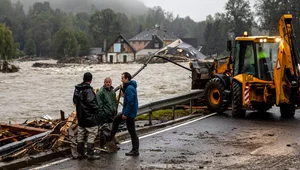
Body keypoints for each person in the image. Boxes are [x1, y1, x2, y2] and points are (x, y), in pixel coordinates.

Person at [110, 72, 139, 156]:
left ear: (127, 79)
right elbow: (127, 95)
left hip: (129, 113)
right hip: (130, 112)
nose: (121, 79)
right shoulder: (130, 87)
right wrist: (122, 89)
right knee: (131, 130)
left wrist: (125, 113)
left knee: (131, 131)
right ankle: (135, 149)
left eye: (122, 78)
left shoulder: (130, 88)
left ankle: (135, 150)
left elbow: (130, 102)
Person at [73, 72, 100, 160]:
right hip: (89, 117)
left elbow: (74, 101)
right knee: (92, 134)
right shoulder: (88, 90)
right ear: (91, 80)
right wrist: (97, 109)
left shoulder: (77, 89)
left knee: (81, 134)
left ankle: (80, 153)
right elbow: (91, 103)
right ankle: (90, 154)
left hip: (81, 117)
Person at [96, 77, 118, 149]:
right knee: (104, 132)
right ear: (104, 83)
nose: (108, 83)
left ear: (111, 83)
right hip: (105, 116)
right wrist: (102, 115)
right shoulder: (101, 92)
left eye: (109, 82)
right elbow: (99, 106)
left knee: (112, 131)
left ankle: (110, 144)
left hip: (112, 115)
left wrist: (115, 111)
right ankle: (102, 146)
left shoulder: (112, 91)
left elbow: (114, 102)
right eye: (106, 82)